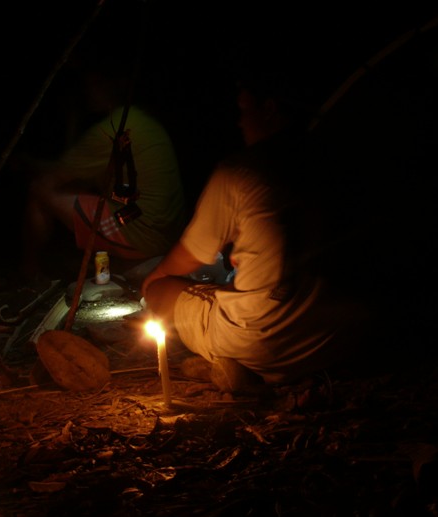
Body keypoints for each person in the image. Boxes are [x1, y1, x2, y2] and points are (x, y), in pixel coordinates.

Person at [140, 67, 365, 392]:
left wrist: (154, 277)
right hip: (336, 335)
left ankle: (242, 368)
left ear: (269, 109)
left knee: (161, 290)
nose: (239, 122)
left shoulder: (240, 171)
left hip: (266, 340)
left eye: (245, 111)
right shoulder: (338, 162)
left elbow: (188, 257)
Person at [19, 50, 189, 283]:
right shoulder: (142, 120)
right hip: (165, 232)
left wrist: (21, 163)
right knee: (87, 192)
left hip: (140, 230)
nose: (89, 90)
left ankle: (29, 272)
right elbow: (77, 173)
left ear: (114, 85)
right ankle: (95, 259)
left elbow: (54, 175)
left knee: (40, 189)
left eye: (96, 83)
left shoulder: (112, 129)